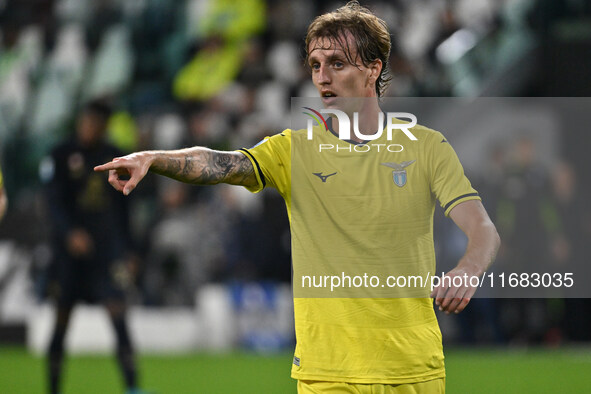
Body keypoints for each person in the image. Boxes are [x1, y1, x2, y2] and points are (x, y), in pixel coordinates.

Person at [95, 2, 500, 393]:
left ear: (374, 69)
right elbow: (221, 163)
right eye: (316, 65)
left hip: (413, 367)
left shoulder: (426, 147)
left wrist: (468, 268)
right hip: (328, 373)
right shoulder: (293, 151)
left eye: (337, 64)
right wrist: (155, 158)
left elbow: (482, 229)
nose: (322, 77)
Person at [42, 100, 142, 394]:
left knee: (118, 314)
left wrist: (131, 249)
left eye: (94, 123)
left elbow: (126, 207)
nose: (88, 128)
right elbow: (52, 202)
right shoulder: (59, 155)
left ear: (103, 126)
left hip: (106, 253)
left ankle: (133, 388)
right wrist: (70, 233)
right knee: (61, 319)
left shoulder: (115, 157)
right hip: (68, 255)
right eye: (85, 121)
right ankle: (53, 389)